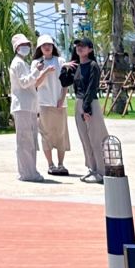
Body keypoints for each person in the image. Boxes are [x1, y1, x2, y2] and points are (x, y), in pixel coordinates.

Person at [64, 37, 107, 184]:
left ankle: (101, 171)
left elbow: (92, 87)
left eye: (83, 46)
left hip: (90, 103)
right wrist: (65, 68)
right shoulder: (76, 66)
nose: (79, 48)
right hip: (78, 102)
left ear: (90, 49)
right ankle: (92, 168)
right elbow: (64, 81)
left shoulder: (93, 65)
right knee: (84, 138)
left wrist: (87, 108)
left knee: (95, 137)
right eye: (77, 46)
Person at [9, 32, 45, 183]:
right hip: (22, 105)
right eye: (22, 45)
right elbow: (24, 83)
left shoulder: (22, 63)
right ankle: (26, 172)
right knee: (25, 140)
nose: (25, 48)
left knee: (30, 140)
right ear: (16, 48)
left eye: (27, 45)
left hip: (28, 106)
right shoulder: (17, 63)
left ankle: (30, 170)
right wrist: (36, 71)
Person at [32, 34, 70, 176]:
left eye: (49, 45)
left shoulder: (60, 61)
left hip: (60, 103)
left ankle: (61, 164)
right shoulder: (36, 63)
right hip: (43, 103)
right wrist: (44, 71)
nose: (47, 47)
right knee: (46, 135)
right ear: (40, 48)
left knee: (61, 134)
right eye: (44, 45)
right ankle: (50, 164)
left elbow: (66, 82)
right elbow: (35, 83)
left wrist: (62, 98)